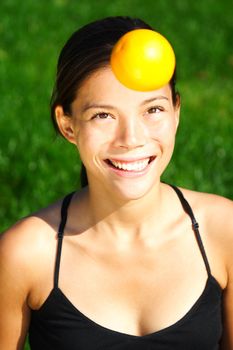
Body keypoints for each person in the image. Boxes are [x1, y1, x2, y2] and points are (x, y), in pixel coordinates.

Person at [0, 16, 232, 350]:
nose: (131, 138)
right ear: (67, 125)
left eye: (152, 109)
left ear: (176, 112)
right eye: (103, 115)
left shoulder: (223, 233)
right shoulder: (25, 255)